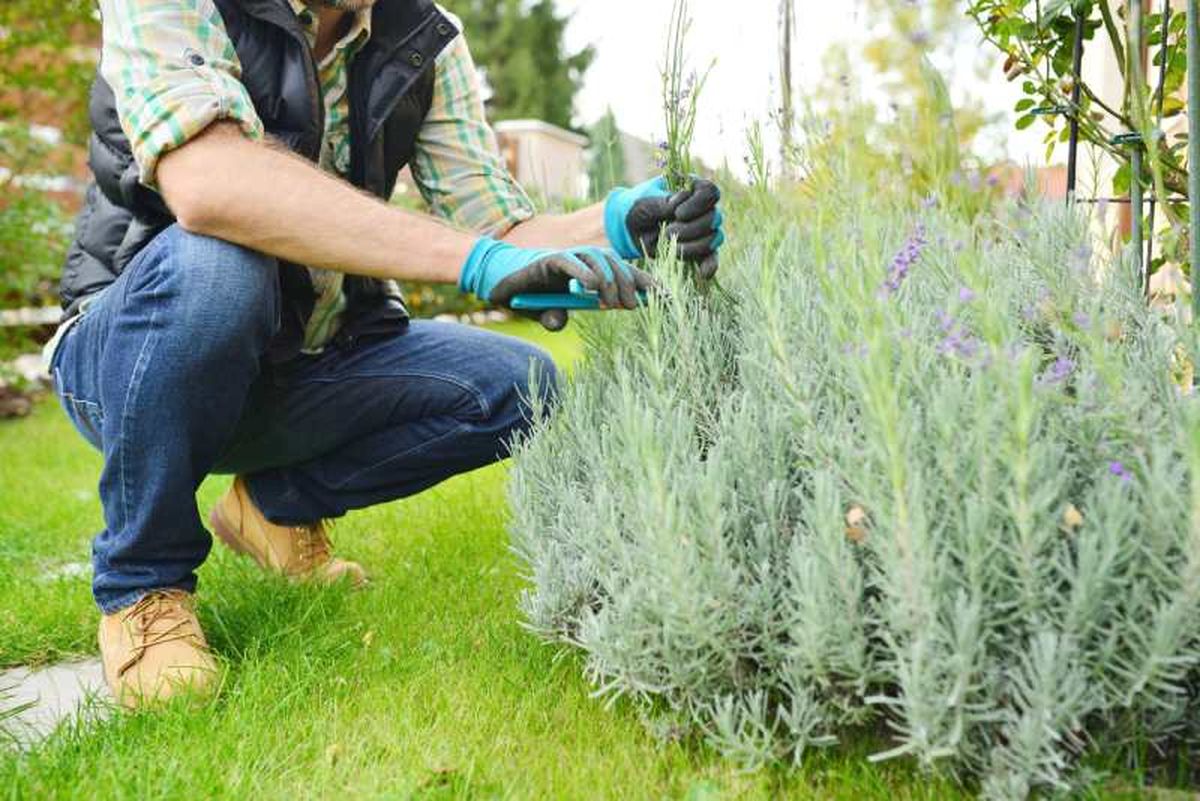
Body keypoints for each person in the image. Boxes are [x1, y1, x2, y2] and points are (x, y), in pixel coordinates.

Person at [45, 0, 726, 709]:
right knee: (220, 264)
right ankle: (144, 585)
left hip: (301, 356)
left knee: (519, 383)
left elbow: (500, 224)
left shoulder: (423, 36)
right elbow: (209, 183)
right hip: (134, 355)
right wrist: (475, 262)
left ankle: (271, 509)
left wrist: (615, 226)